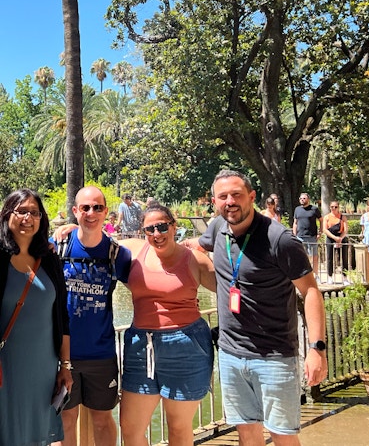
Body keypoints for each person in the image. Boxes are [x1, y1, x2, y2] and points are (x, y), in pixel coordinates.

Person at [193, 170, 327, 446]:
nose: (230, 201)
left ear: (252, 197)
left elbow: (310, 291)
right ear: (214, 202)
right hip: (231, 353)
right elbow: (195, 248)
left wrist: (317, 349)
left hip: (274, 355)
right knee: (246, 432)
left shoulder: (280, 239)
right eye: (223, 196)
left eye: (236, 195)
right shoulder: (218, 228)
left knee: (282, 434)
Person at [119, 203, 216, 446]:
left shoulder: (195, 260)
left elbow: (233, 289)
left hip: (186, 345)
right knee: (130, 429)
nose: (156, 234)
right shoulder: (132, 251)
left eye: (162, 227)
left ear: (173, 227)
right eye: (149, 229)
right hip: (141, 346)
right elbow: (94, 241)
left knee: (179, 427)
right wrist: (69, 227)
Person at [53, 186, 132, 446]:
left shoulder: (117, 255)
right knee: (66, 419)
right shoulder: (59, 246)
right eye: (85, 208)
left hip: (102, 354)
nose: (91, 213)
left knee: (102, 419)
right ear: (75, 211)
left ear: (106, 212)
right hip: (64, 355)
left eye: (97, 207)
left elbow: (144, 284)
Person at [0, 188, 72, 446]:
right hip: (5, 367)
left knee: (35, 435)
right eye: (21, 211)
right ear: (7, 214)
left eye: (34, 212)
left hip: (43, 367)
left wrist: (65, 366)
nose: (28, 218)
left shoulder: (50, 260)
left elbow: (63, 316)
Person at [292, 193, 322, 282]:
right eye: (301, 198)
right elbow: (295, 223)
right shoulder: (297, 209)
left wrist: (320, 232)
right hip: (300, 237)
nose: (302, 200)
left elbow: (321, 220)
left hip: (312, 236)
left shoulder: (314, 209)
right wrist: (294, 234)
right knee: (303, 257)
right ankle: (304, 276)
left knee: (314, 256)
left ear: (308, 199)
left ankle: (316, 275)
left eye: (304, 198)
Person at [323, 201, 350, 285]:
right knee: (329, 257)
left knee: (344, 258)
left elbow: (345, 230)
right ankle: (330, 276)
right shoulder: (327, 217)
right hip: (331, 238)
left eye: (335, 207)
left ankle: (345, 277)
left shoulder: (342, 217)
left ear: (338, 207)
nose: (333, 208)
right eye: (332, 207)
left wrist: (340, 238)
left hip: (341, 237)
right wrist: (334, 238)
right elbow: (324, 229)